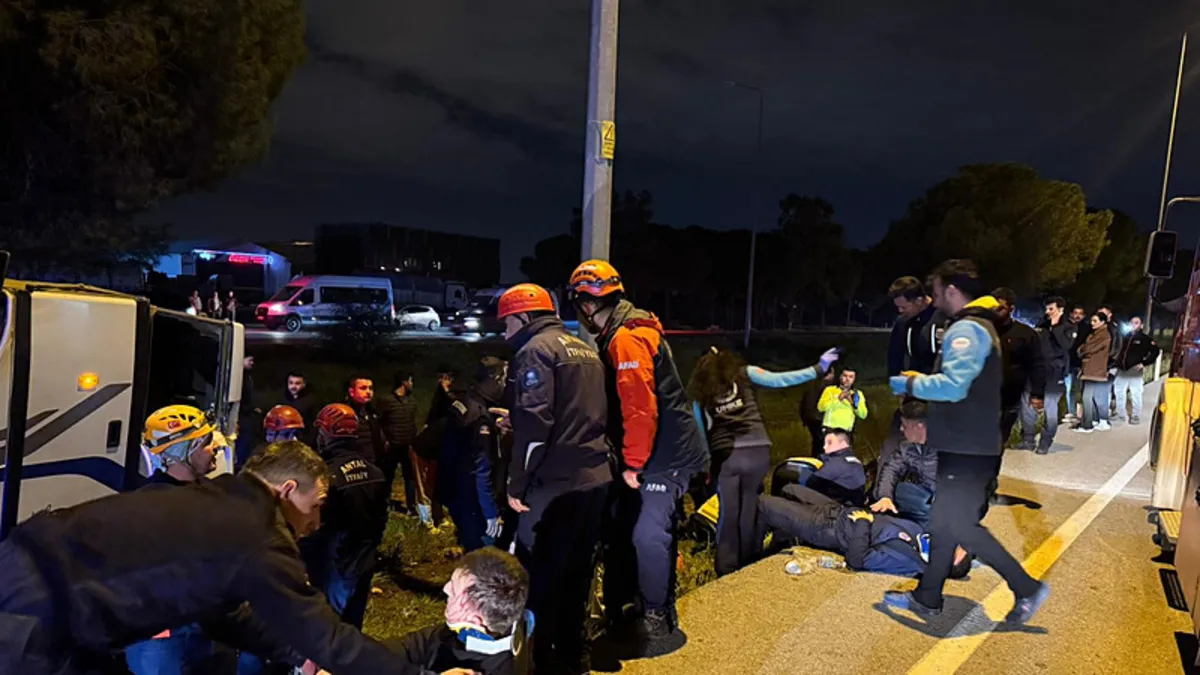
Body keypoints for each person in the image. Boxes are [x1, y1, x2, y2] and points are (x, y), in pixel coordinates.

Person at [0, 440, 452, 675]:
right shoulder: (258, 534)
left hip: (25, 579)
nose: (316, 522)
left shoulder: (219, 501)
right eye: (317, 506)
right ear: (287, 490)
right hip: (38, 617)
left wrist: (295, 652)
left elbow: (222, 613)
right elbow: (328, 637)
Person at [884, 259, 1049, 624]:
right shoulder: (976, 327)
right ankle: (927, 598)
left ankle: (1025, 587)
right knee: (945, 524)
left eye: (938, 290)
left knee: (958, 526)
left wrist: (909, 383)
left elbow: (954, 386)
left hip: (968, 448)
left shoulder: (968, 331)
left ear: (952, 291)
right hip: (965, 444)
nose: (934, 297)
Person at [569, 260, 709, 649]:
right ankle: (650, 605)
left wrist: (633, 463)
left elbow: (639, 408)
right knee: (645, 531)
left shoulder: (626, 340)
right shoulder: (630, 330)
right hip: (664, 448)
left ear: (586, 303)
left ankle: (656, 618)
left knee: (649, 534)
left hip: (662, 454)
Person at [501, 282, 611, 674]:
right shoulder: (584, 348)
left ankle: (541, 662)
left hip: (555, 486)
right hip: (595, 477)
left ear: (521, 317)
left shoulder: (535, 351)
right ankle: (574, 658)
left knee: (541, 577)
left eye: (506, 325)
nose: (504, 334)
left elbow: (535, 428)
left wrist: (516, 485)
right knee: (578, 573)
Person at [687, 345, 840, 576]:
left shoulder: (700, 395)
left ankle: (726, 569)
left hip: (728, 454)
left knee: (729, 513)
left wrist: (705, 467)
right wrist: (818, 368)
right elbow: (780, 380)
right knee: (749, 507)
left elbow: (700, 434)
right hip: (758, 450)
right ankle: (747, 564)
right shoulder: (746, 373)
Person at [125, 406, 228, 675]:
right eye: (206, 443)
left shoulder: (210, 497)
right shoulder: (149, 506)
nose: (216, 447)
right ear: (185, 451)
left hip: (203, 630)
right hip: (162, 640)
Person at [758, 484, 972, 578]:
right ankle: (778, 538)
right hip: (838, 510)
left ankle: (749, 553)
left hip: (829, 529)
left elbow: (858, 560)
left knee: (762, 504)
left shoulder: (909, 562)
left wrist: (862, 523)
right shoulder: (923, 536)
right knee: (789, 489)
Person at [386, 548, 531, 675]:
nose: (446, 589)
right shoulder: (453, 635)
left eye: (454, 590)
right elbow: (408, 646)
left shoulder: (492, 669)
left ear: (475, 620)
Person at [440, 357, 509, 552]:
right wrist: (490, 513)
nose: (506, 385)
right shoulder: (480, 418)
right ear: (494, 380)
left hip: (455, 491)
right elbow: (481, 470)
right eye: (504, 380)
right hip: (473, 500)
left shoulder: (464, 402)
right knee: (484, 555)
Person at [991, 288, 1045, 445]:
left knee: (998, 442)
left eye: (1000, 308)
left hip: (1009, 398)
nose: (995, 311)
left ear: (1011, 309)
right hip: (983, 398)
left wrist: (1037, 393)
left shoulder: (1025, 334)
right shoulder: (982, 331)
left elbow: (1037, 364)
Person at [871, 400, 936, 527]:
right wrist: (885, 496)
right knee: (903, 490)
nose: (901, 429)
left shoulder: (945, 450)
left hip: (947, 507)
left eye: (905, 426)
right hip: (923, 503)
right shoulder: (906, 447)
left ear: (919, 427)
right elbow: (891, 468)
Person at [1024, 296, 1075, 453]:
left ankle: (1045, 442)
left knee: (1050, 410)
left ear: (1061, 310)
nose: (1047, 312)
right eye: (1046, 309)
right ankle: (1028, 440)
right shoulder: (1042, 324)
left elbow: (1066, 345)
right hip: (1036, 370)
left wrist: (1055, 326)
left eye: (1051, 309)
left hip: (1055, 373)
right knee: (1027, 405)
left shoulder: (1068, 327)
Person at [887, 276, 949, 377]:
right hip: (913, 386)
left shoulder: (943, 318)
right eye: (898, 307)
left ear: (919, 301)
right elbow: (895, 356)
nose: (900, 311)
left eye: (903, 307)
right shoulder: (903, 321)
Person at [378, 371, 421, 518]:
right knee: (387, 476)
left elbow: (413, 423)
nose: (412, 384)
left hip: (408, 445)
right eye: (411, 381)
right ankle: (384, 504)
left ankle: (411, 506)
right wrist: (384, 440)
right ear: (404, 382)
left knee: (410, 477)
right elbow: (379, 423)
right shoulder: (387, 401)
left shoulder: (412, 402)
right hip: (392, 446)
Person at [1114, 317, 1160, 424]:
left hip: (1135, 370)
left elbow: (1155, 352)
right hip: (1121, 369)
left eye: (1136, 323)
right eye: (1132, 322)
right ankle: (1120, 414)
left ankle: (1135, 415)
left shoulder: (1145, 339)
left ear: (1141, 325)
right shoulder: (1124, 337)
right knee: (1119, 392)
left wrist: (1144, 363)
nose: (1134, 324)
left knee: (1136, 393)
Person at [1074, 312, 1113, 434]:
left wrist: (1084, 349)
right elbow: (1083, 348)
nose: (1092, 323)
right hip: (1090, 368)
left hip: (1094, 369)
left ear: (1103, 322)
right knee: (1088, 396)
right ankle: (1092, 420)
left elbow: (1089, 348)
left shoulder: (1104, 335)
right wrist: (1083, 349)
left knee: (1087, 396)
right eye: (1091, 320)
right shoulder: (1095, 334)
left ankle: (1087, 424)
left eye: (1095, 321)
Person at [807, 428, 868, 505]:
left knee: (792, 489)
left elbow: (811, 483)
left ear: (843, 443)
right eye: (824, 443)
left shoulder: (837, 462)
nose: (824, 447)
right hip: (853, 504)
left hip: (832, 507)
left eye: (829, 443)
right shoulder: (856, 461)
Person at [345, 375, 388, 472]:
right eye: (363, 388)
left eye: (371, 388)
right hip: (353, 466)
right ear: (352, 392)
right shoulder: (344, 414)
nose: (368, 392)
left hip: (373, 463)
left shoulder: (373, 411)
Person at [817, 367, 868, 433]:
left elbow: (863, 415)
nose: (847, 379)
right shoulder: (830, 390)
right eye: (845, 376)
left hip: (846, 431)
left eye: (851, 377)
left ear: (854, 378)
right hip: (829, 429)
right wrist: (838, 399)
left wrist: (852, 403)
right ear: (840, 376)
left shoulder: (858, 394)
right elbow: (820, 407)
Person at [799, 367, 834, 456]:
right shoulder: (829, 387)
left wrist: (803, 419)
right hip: (821, 419)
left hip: (810, 418)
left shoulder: (811, 385)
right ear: (830, 374)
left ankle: (815, 462)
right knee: (823, 444)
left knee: (817, 442)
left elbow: (803, 403)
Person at [234, 355, 259, 469]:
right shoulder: (238, 378)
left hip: (246, 414)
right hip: (242, 415)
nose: (252, 363)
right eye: (250, 360)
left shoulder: (247, 376)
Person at [1065, 304, 1088, 424]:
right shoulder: (1066, 327)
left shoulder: (1087, 328)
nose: (1078, 315)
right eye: (1076, 313)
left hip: (1081, 363)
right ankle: (1071, 412)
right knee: (1070, 389)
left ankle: (1084, 413)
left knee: (1082, 389)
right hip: (1068, 363)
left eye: (1080, 313)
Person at [278, 371, 319, 439]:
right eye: (291, 383)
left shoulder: (311, 400)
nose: (293, 386)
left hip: (303, 438)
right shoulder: (281, 398)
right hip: (284, 437)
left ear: (303, 384)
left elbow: (314, 424)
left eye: (297, 383)